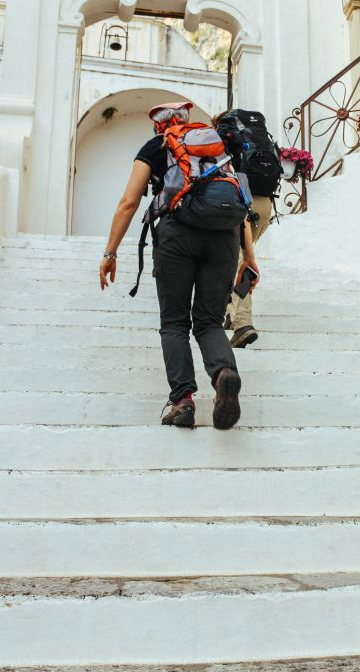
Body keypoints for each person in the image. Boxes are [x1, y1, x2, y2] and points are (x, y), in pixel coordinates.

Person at [99, 102, 260, 430]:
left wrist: (110, 253)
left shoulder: (157, 147)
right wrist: (250, 258)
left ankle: (183, 402)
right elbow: (241, 202)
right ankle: (223, 374)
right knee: (210, 321)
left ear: (158, 125)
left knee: (174, 323)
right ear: (188, 122)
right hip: (225, 237)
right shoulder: (219, 146)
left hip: (177, 235)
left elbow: (129, 201)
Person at [213, 110, 280, 349]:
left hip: (241, 202)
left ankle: (243, 323)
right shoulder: (258, 139)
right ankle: (232, 314)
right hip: (265, 204)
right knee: (240, 258)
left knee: (238, 259)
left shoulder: (222, 138)